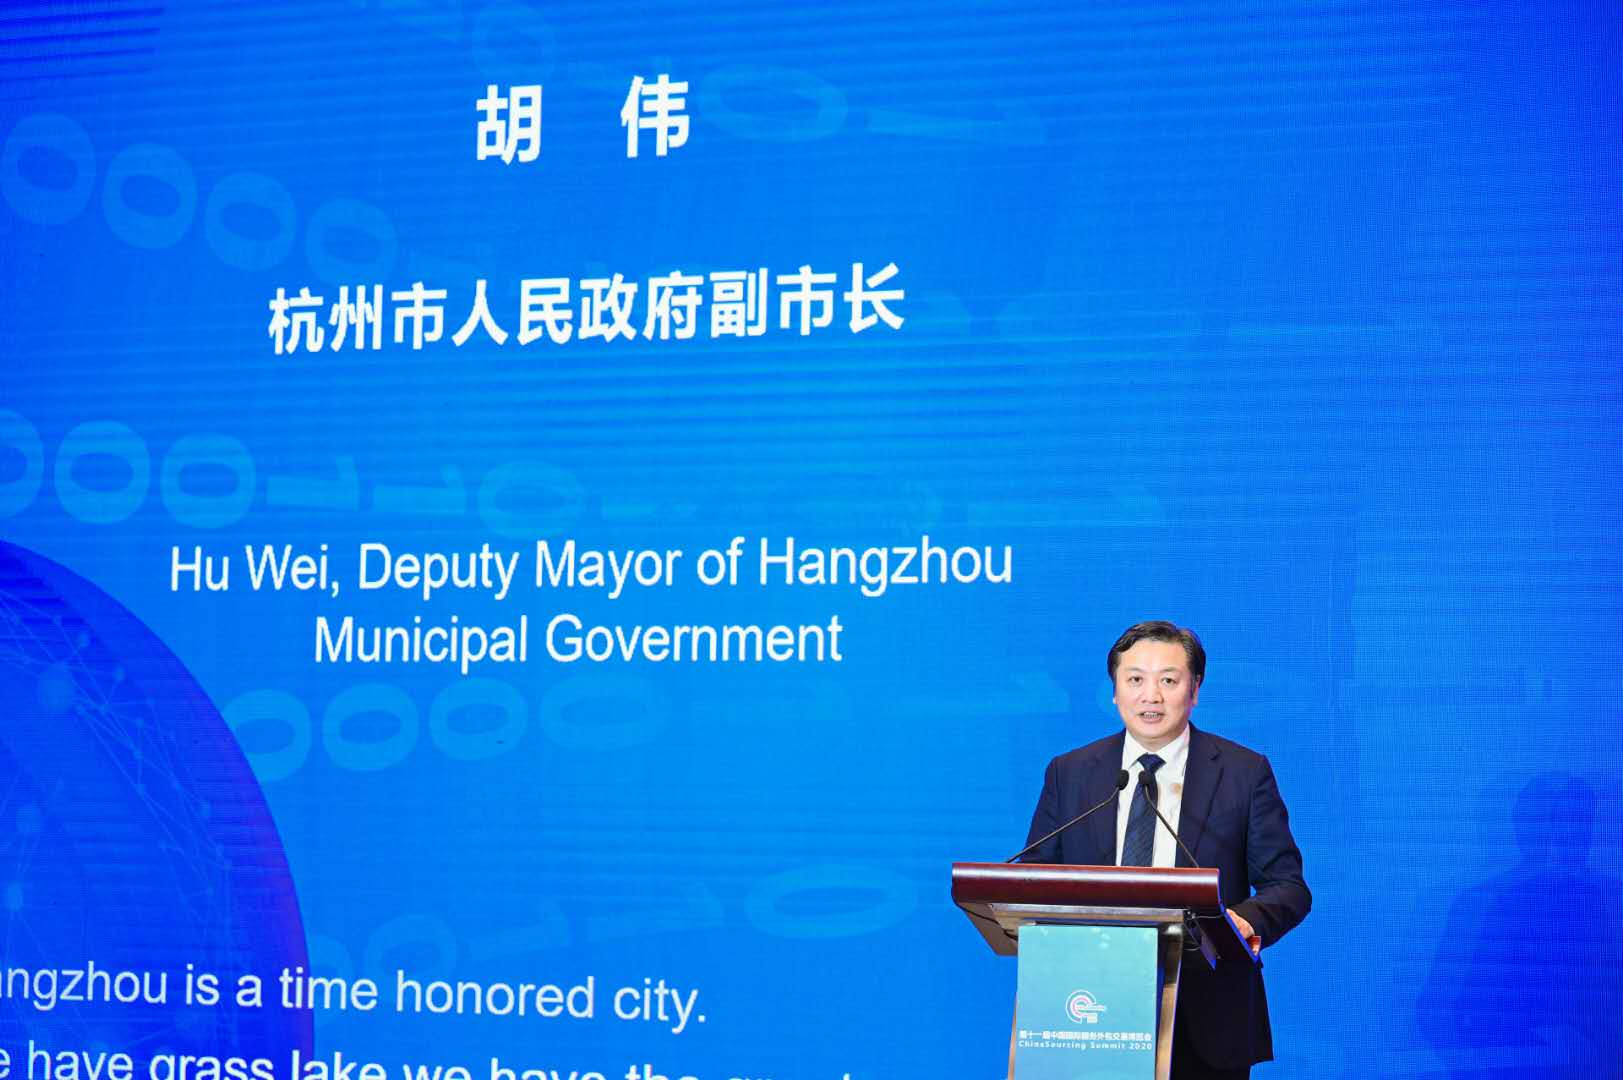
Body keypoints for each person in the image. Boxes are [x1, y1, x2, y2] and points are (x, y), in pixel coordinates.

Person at [1022, 621, 1310, 1079]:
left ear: (1194, 689)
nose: (1150, 696)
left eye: (1168, 680)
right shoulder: (1070, 772)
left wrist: (1242, 922)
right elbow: (1033, 878)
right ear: (1115, 690)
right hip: (1087, 1005)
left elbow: (1288, 888)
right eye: (1135, 679)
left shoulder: (1243, 772)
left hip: (1206, 1011)